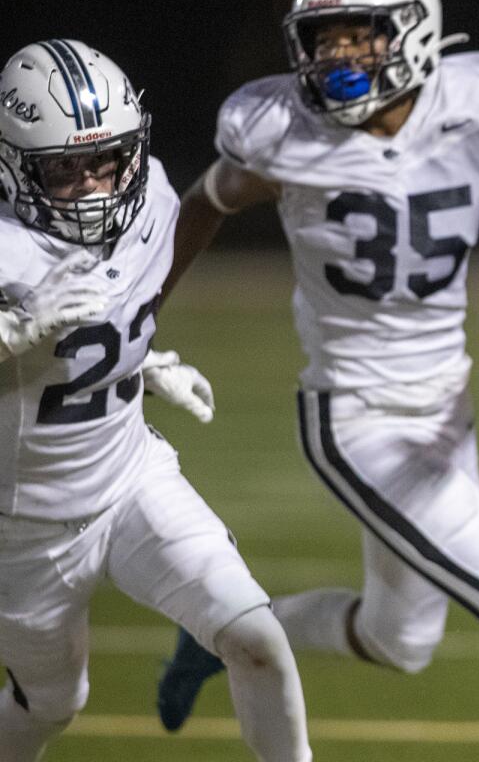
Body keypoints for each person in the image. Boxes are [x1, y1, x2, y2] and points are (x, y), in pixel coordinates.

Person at [154, 0, 479, 762]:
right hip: (355, 418)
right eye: (323, 39)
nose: (335, 57)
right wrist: (140, 312)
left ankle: (215, 637)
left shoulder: (474, 107)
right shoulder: (284, 132)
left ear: (414, 30)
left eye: (356, 35)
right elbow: (204, 203)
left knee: (398, 639)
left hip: (446, 410)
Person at [0, 40, 311, 762]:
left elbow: (124, 299)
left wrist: (140, 359)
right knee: (51, 705)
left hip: (131, 480)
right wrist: (14, 331)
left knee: (256, 637)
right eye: (64, 169)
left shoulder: (155, 200)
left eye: (105, 159)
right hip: (24, 530)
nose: (93, 186)